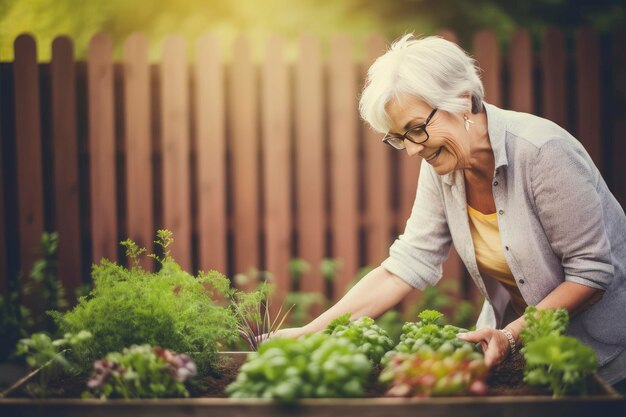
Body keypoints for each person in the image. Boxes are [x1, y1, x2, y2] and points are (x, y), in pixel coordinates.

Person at [275, 34, 626, 386]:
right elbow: (409, 262)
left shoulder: (542, 153)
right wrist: (311, 333)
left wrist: (510, 335)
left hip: (606, 360)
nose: (411, 151)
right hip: (536, 356)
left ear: (462, 101)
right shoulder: (443, 163)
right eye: (399, 137)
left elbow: (590, 273)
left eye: (416, 129)